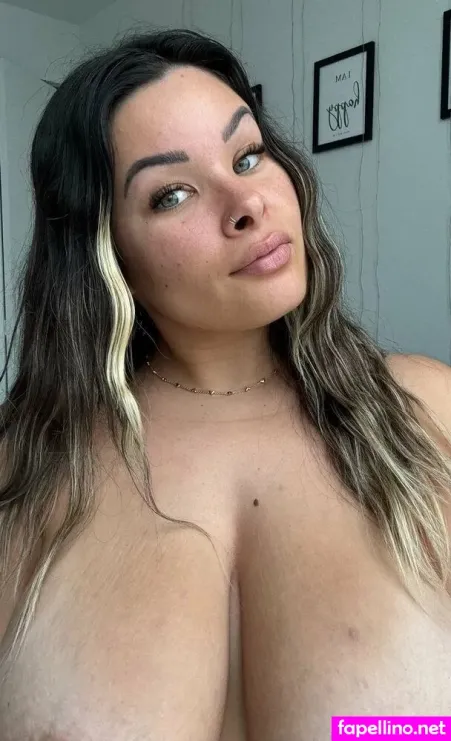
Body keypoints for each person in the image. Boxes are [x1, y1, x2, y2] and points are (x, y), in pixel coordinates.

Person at [0, 26, 451, 741]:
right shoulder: (26, 467)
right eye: (172, 194)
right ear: (102, 251)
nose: (246, 201)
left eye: (247, 155)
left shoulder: (427, 410)